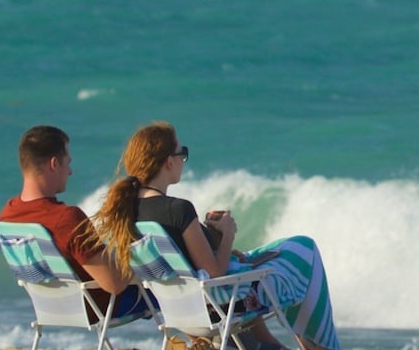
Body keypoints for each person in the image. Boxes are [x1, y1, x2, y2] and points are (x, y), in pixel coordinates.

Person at [84, 121, 342, 350]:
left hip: (181, 311)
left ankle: (278, 345)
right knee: (305, 253)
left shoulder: (126, 212)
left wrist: (211, 236)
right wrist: (227, 233)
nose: (183, 160)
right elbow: (215, 273)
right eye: (181, 153)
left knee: (290, 249)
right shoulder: (177, 209)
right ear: (168, 162)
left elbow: (192, 264)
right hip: (222, 304)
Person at [0, 125, 150, 321]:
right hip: (97, 309)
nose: (69, 171)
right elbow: (115, 284)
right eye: (67, 163)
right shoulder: (67, 219)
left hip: (49, 310)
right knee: (170, 294)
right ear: (54, 164)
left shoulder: (7, 216)